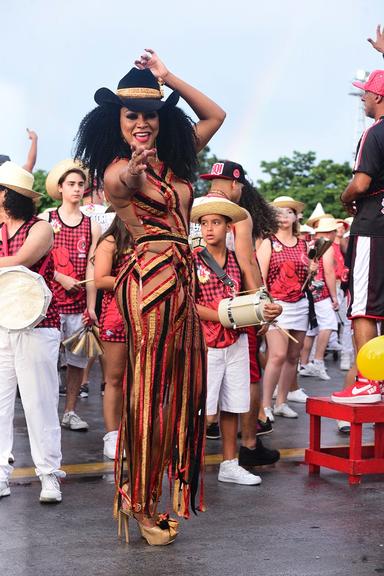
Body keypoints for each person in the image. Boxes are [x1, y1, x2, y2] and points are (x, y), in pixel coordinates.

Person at [74, 49, 226, 545]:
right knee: (151, 397)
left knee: (179, 396)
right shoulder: (119, 168)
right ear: (114, 121)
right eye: (131, 115)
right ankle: (138, 501)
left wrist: (168, 78)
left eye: (150, 115)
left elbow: (215, 115)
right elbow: (126, 183)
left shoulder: (177, 159)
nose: (142, 123)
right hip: (150, 284)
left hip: (182, 279)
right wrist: (137, 172)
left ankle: (145, 495)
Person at [199, 161, 282, 466]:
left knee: (196, 383)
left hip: (199, 308)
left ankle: (188, 453)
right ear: (237, 185)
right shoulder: (238, 215)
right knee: (248, 377)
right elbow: (247, 264)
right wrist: (261, 308)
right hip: (233, 310)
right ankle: (247, 443)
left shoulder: (193, 209)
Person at [0, 161, 64, 502]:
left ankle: (49, 475)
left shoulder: (41, 228)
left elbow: (23, 259)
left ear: (7, 195)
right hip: (2, 324)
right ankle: (0, 473)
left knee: (39, 402)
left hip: (37, 325)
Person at [191, 195, 262, 485]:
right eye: (204, 223)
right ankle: (188, 462)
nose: (209, 229)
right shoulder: (192, 259)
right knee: (199, 408)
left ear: (228, 227)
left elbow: (254, 298)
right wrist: (219, 315)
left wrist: (267, 309)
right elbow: (186, 301)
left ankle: (230, 463)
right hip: (204, 342)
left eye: (216, 223)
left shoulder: (237, 260)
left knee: (232, 404)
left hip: (236, 340)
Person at [332, 69, 384, 404]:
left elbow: (361, 184)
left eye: (366, 92)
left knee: (364, 307)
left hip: (374, 224)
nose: (363, 96)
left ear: (378, 97)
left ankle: (369, 382)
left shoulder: (375, 132)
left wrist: (346, 197)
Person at [40, 159, 101, 429]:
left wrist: (91, 306)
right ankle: (44, 414)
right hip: (49, 304)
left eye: (80, 185)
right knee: (46, 362)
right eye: (71, 184)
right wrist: (60, 277)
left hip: (77, 306)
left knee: (77, 361)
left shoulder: (92, 226)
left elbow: (91, 265)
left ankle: (70, 411)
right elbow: (38, 261)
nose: (77, 189)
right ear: (61, 188)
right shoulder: (47, 219)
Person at [257, 196, 317, 421]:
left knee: (294, 356)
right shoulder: (268, 242)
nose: (284, 215)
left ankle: (282, 401)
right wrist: (265, 305)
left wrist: (312, 271)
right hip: (276, 305)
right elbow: (261, 277)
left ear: (296, 217)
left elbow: (307, 281)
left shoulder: (304, 244)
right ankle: (265, 406)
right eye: (279, 211)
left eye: (289, 212)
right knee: (277, 355)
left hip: (300, 303)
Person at [94, 215, 132, 459]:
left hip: (149, 317)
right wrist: (137, 281)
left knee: (141, 380)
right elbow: (100, 279)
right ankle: (112, 435)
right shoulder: (110, 240)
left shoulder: (150, 239)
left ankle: (136, 433)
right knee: (115, 379)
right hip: (117, 317)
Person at [300, 218, 339, 381]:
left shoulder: (307, 243)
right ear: (332, 232)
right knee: (328, 324)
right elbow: (329, 272)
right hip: (320, 291)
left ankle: (304, 363)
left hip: (306, 292)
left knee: (311, 329)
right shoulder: (326, 246)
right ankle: (318, 361)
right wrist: (334, 296)